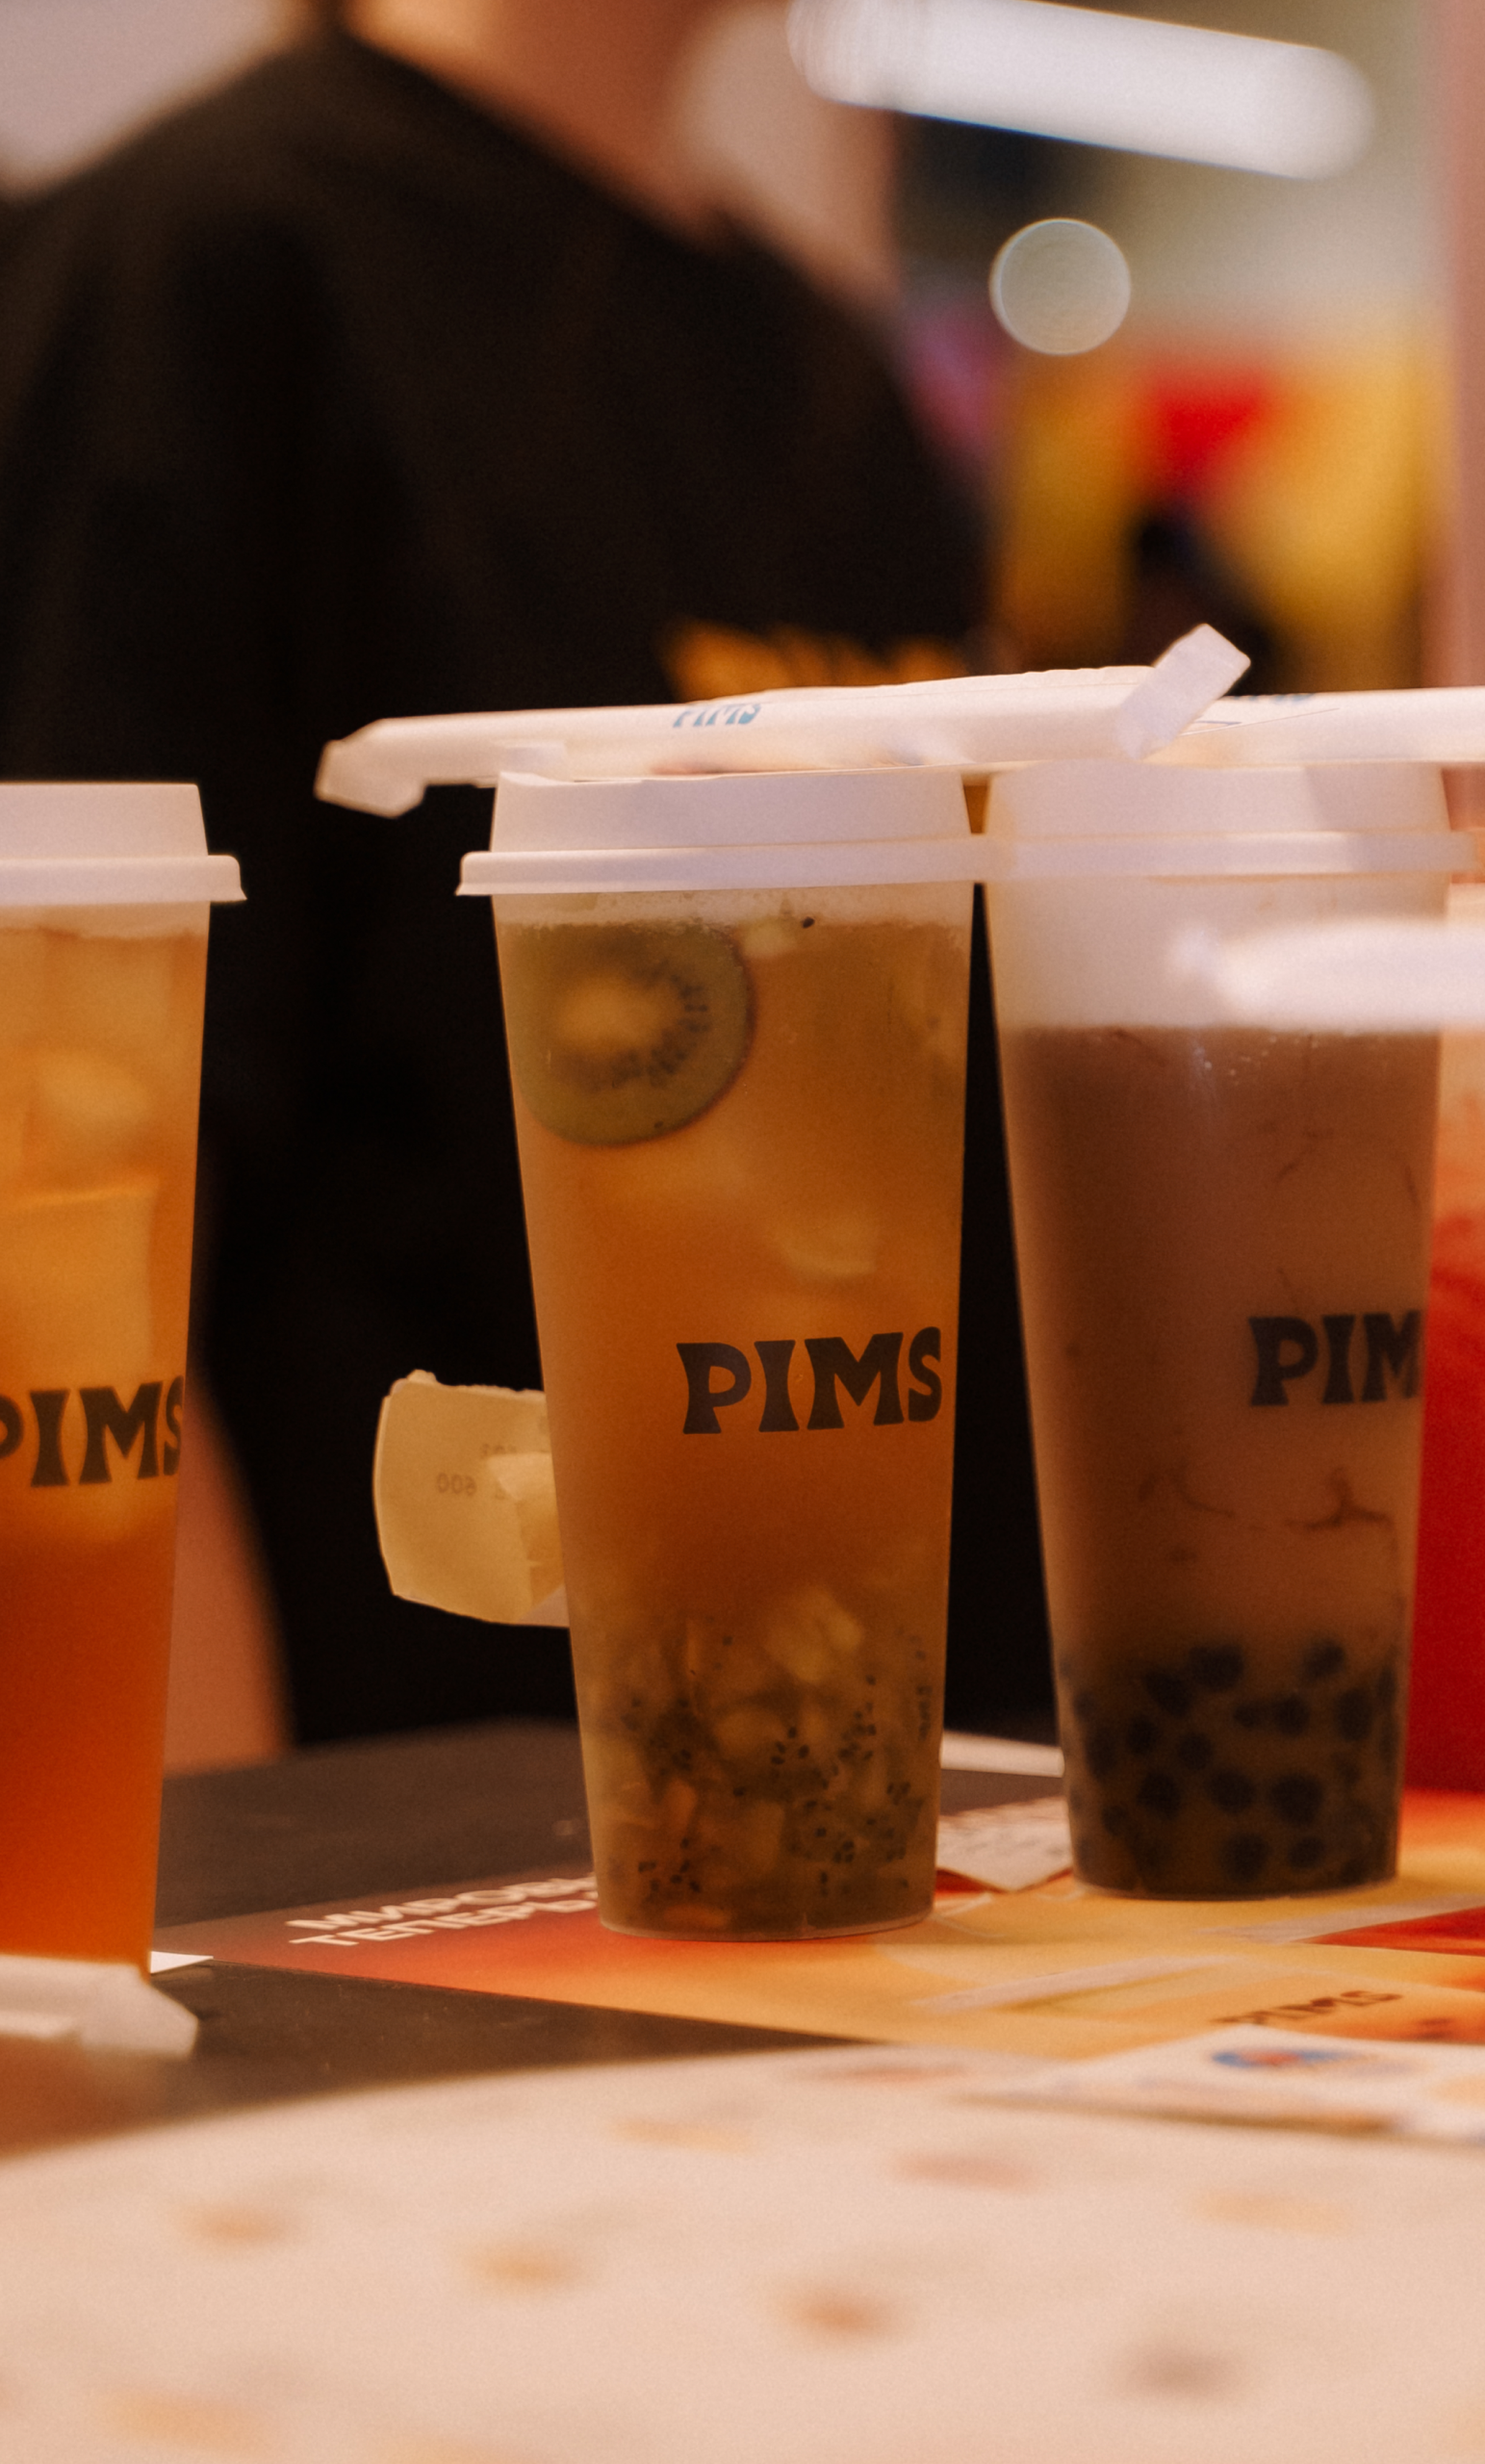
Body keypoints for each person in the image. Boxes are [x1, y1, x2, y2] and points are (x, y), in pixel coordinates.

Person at [0, 0, 1054, 1744]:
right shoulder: (204, 270)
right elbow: (70, 1242)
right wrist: (213, 1874)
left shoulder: (812, 365)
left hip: (901, 1802)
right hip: (441, 1814)